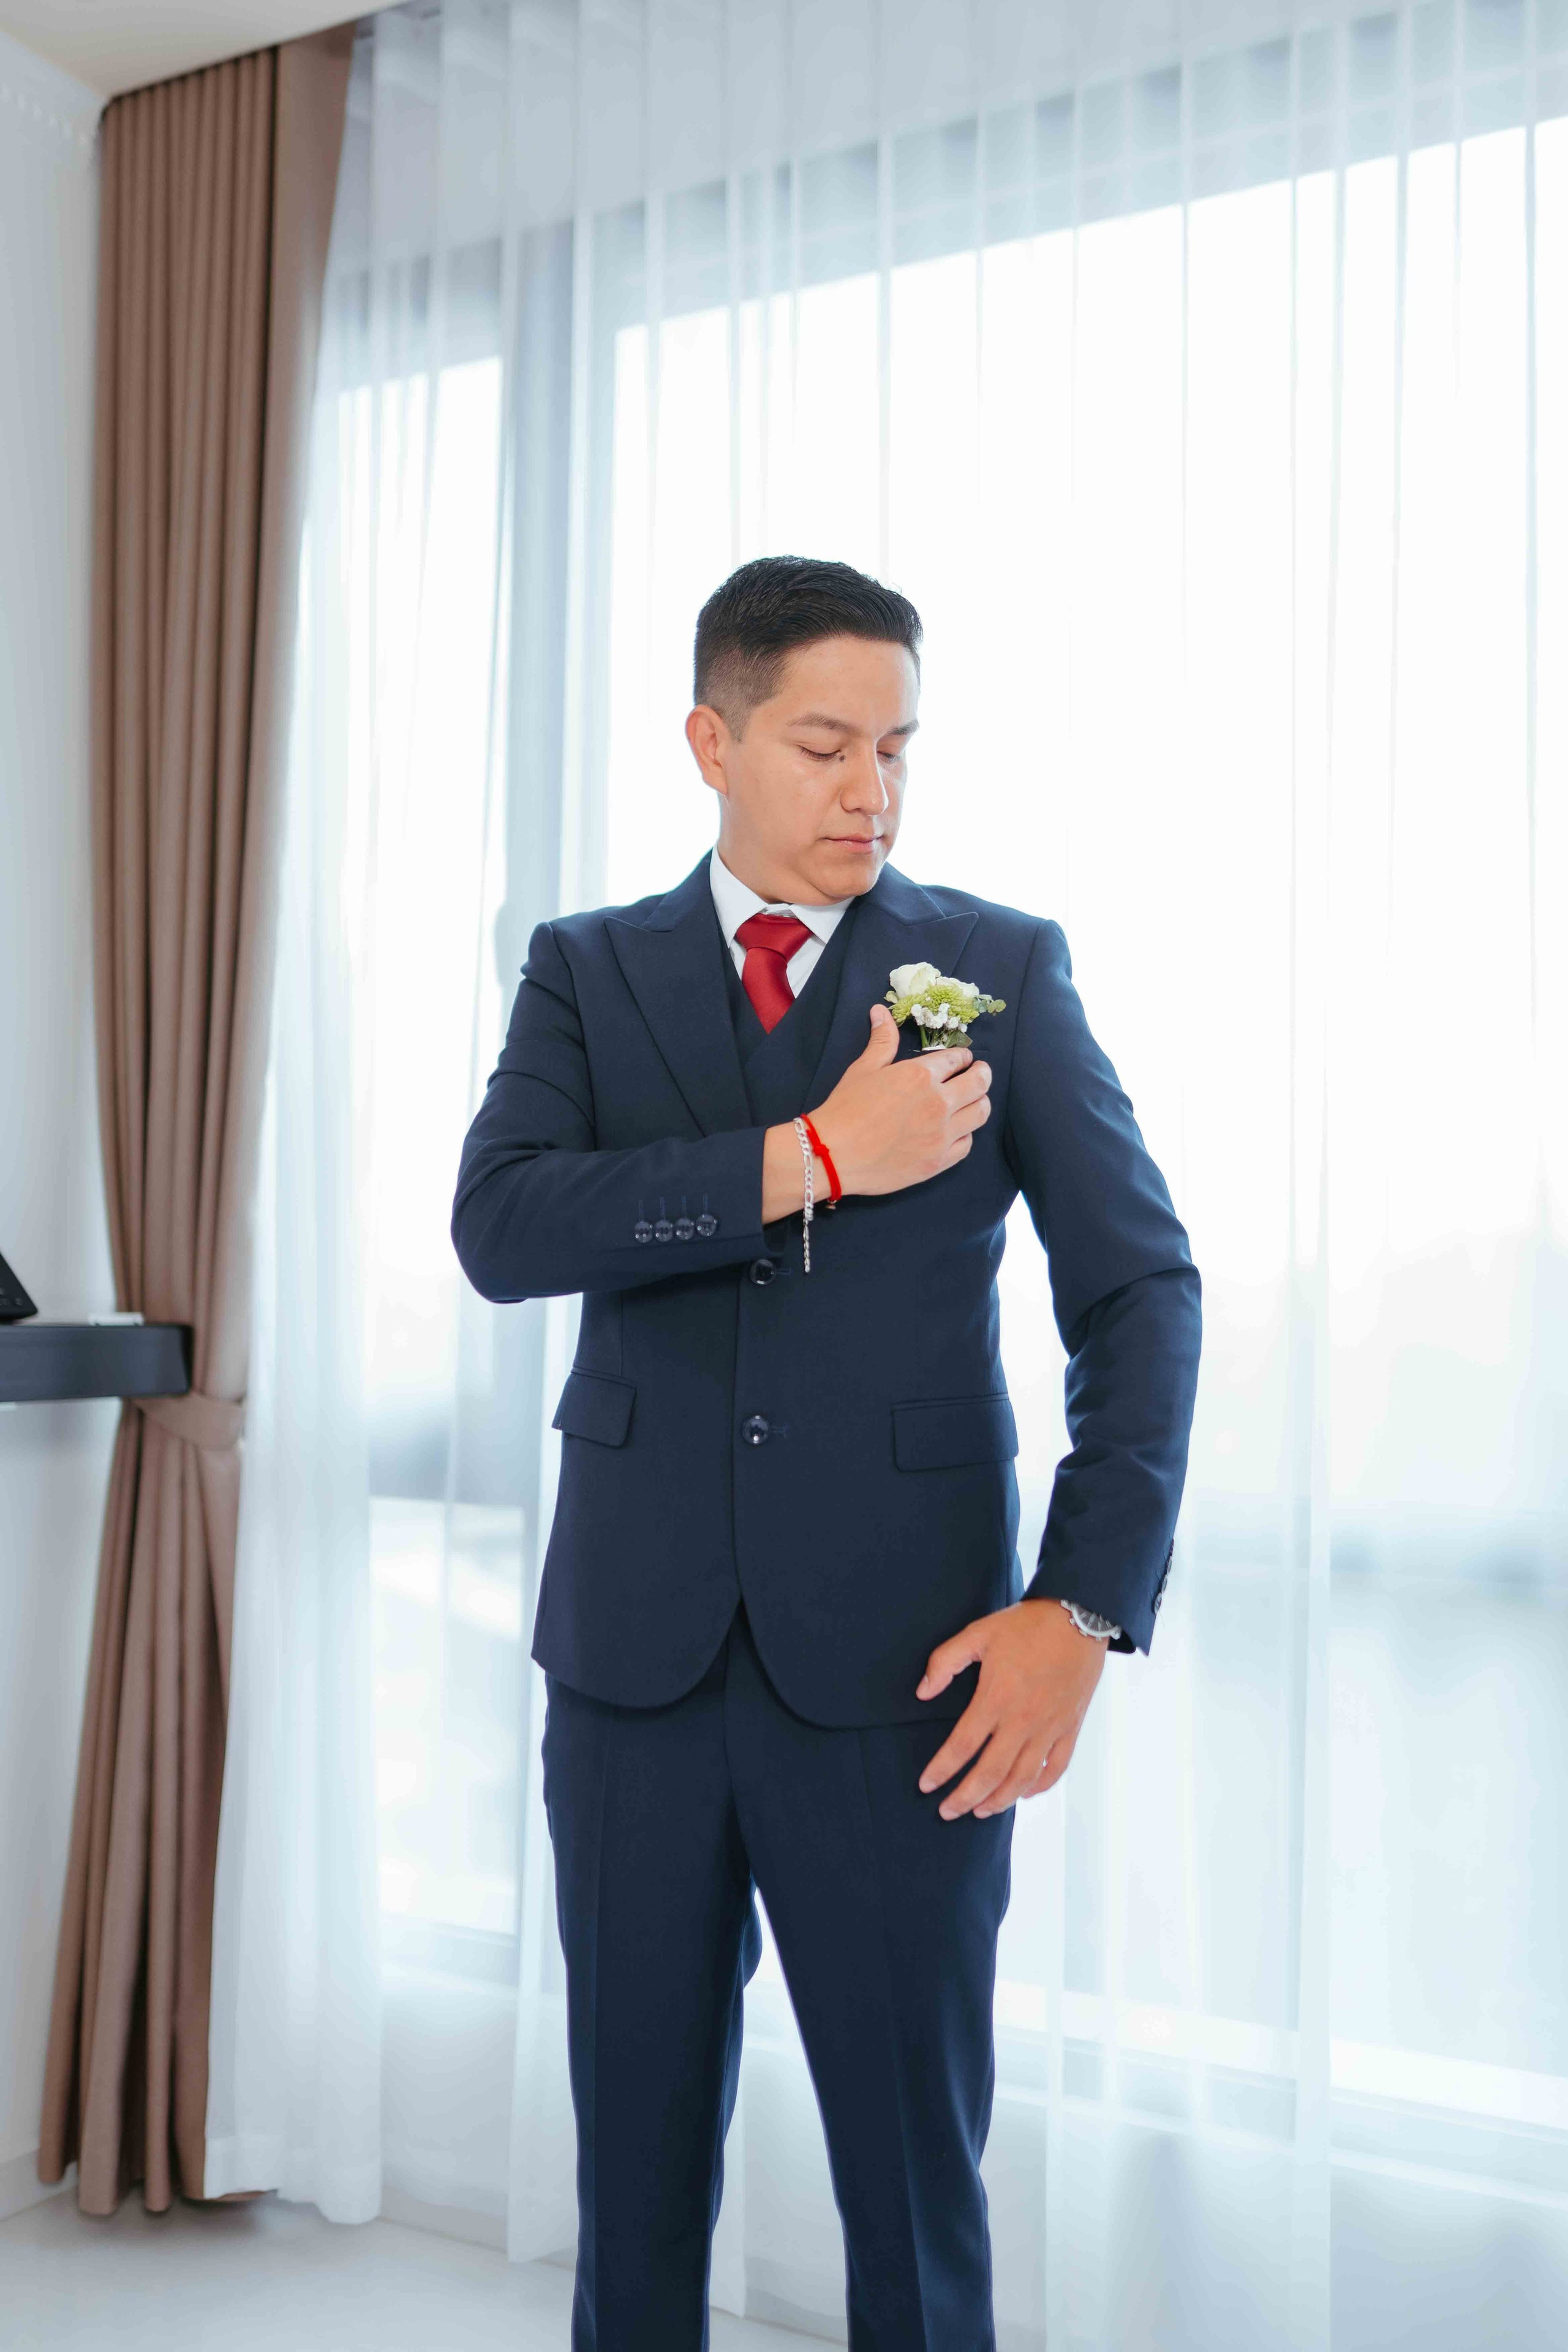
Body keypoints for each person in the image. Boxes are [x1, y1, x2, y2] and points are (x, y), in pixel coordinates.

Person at [451, 555, 1201, 2349]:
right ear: (713, 740)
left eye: (899, 747)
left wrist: (1080, 1609)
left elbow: (1143, 1295)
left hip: (906, 1681)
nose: (871, 788)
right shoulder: (586, 970)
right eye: (823, 743)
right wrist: (817, 1153)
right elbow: (502, 1229)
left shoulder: (998, 970)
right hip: (630, 1671)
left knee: (913, 2201)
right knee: (632, 2191)